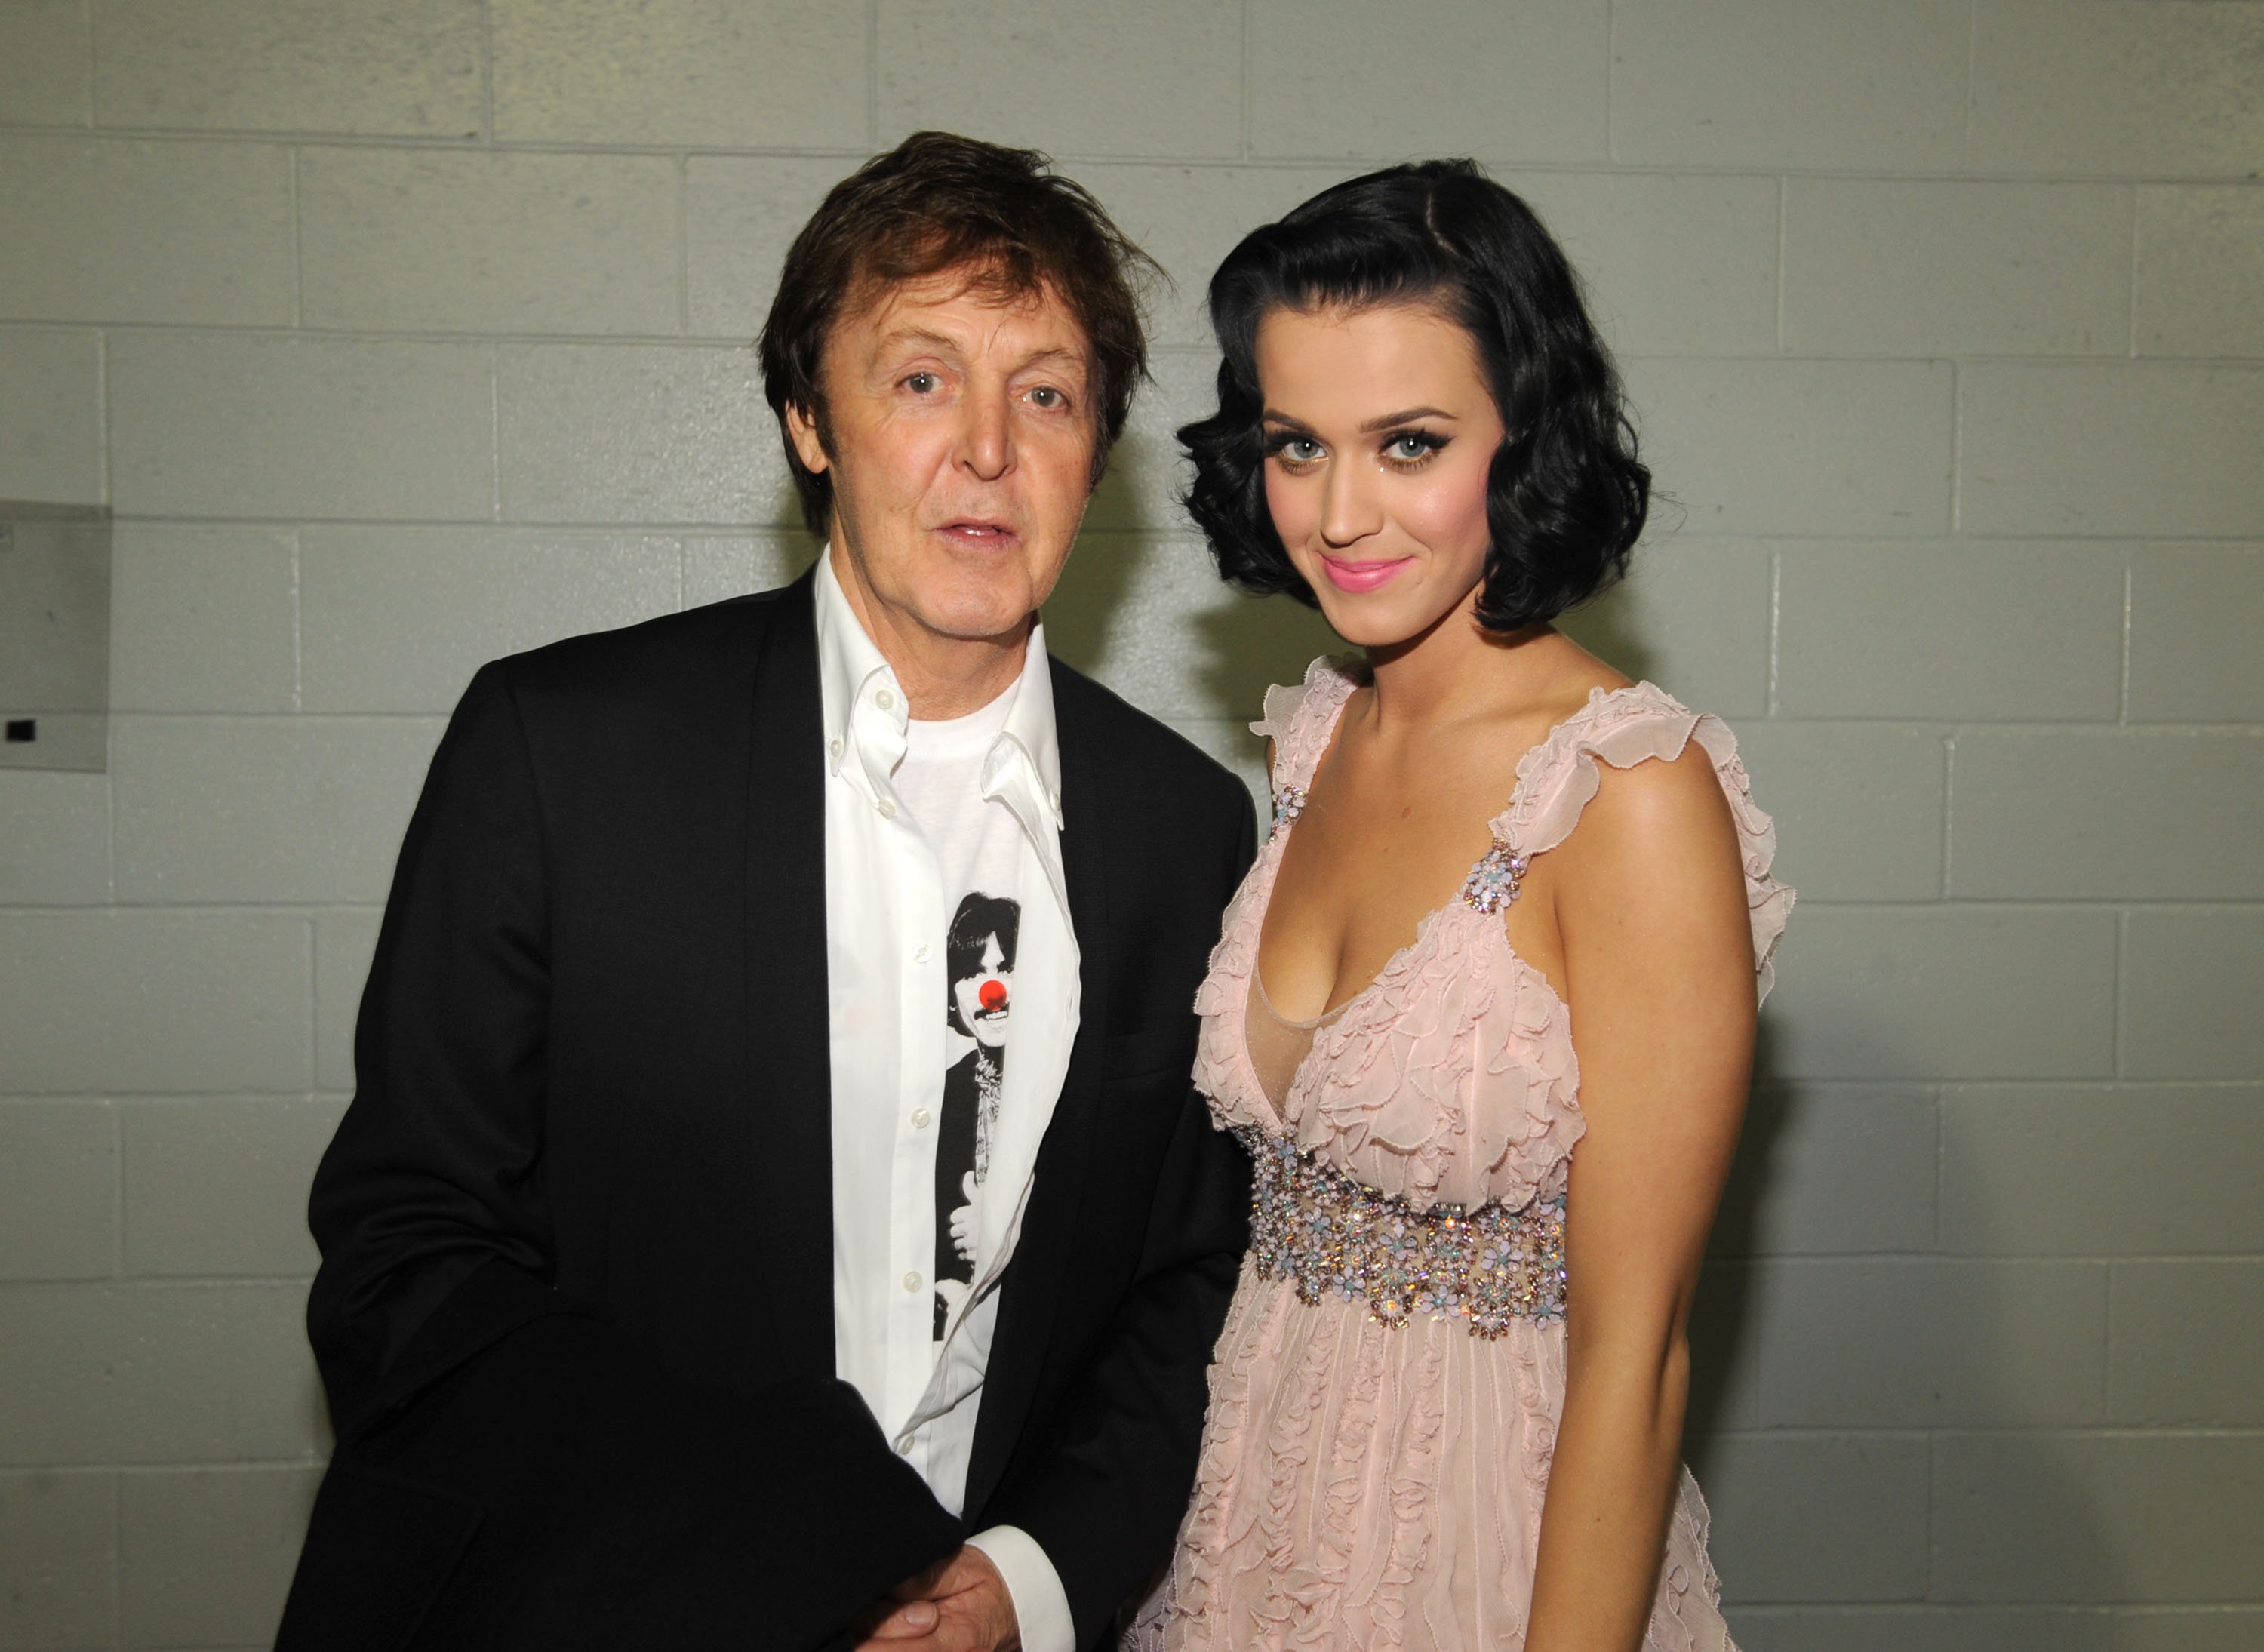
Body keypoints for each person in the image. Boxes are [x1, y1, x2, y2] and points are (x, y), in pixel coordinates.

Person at [278, 131, 1257, 1652]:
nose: (988, 449)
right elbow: (409, 1261)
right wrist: (780, 1564)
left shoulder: (1184, 827)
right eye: (922, 378)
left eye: (1047, 393)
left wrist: (1029, 1577)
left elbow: (1191, 1279)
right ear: (811, 420)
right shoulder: (560, 752)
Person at [1141, 162, 1795, 1650]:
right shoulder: (1318, 739)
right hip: (1254, 1526)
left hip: (1496, 1560)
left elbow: (1638, 1360)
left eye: (1410, 443)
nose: (1341, 512)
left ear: (1527, 439)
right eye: (1297, 445)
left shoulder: (1626, 794)